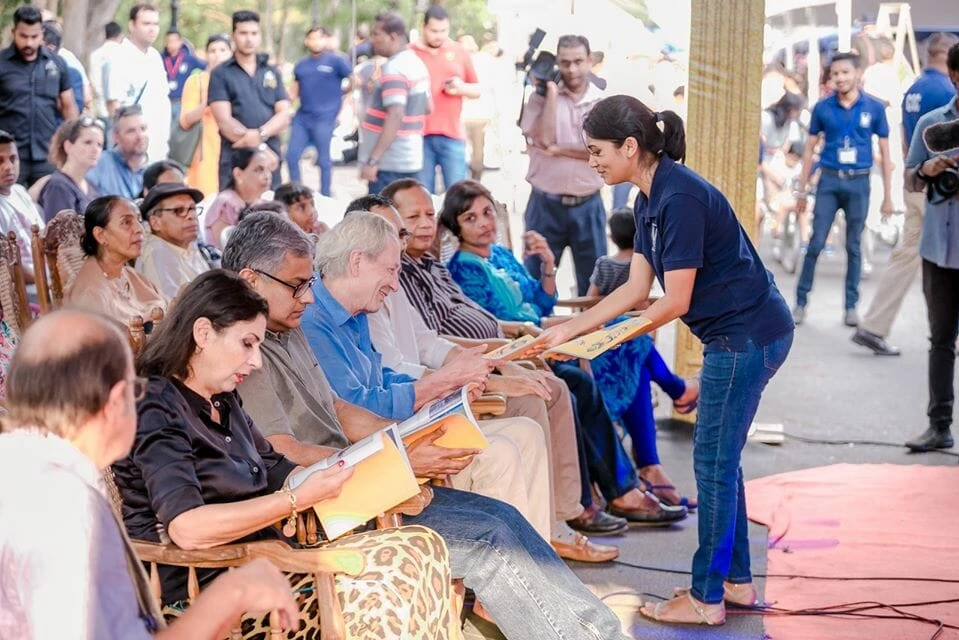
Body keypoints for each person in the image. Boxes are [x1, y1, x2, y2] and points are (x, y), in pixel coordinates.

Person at [221, 212, 635, 640]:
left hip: (354, 484)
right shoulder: (242, 347)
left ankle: (599, 632)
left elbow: (341, 409)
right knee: (490, 539)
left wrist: (403, 443)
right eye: (299, 285)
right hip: (321, 508)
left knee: (502, 517)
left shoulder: (284, 329)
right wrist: (398, 457)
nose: (309, 298)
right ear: (252, 280)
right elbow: (283, 450)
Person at [536, 95, 794, 625]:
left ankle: (705, 599)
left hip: (746, 336)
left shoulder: (679, 198)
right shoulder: (648, 196)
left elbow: (673, 302)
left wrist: (599, 340)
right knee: (722, 462)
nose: (592, 162)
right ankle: (736, 583)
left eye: (597, 151)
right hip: (738, 334)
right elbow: (634, 289)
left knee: (713, 465)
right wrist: (567, 331)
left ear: (631, 146)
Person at [110, 270, 459, 638]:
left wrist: (369, 474)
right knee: (389, 580)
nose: (257, 361)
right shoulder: (154, 406)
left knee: (422, 546)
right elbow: (188, 528)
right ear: (203, 334)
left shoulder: (222, 399)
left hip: (268, 565)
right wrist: (293, 500)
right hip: (211, 594)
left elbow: (276, 468)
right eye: (247, 343)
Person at [384, 178, 686, 526]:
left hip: (528, 341)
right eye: (471, 218)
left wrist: (547, 265)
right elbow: (438, 339)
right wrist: (522, 342)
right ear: (454, 226)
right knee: (585, 375)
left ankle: (627, 480)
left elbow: (538, 301)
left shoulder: (451, 263)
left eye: (487, 214)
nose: (484, 223)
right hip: (508, 352)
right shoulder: (451, 268)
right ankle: (606, 493)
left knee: (627, 343)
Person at [0, 308, 305, 639]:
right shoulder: (59, 504)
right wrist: (234, 592)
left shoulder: (27, 470)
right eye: (138, 392)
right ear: (118, 399)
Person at [360, 198, 620, 562]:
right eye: (401, 226)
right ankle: (541, 539)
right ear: (357, 249)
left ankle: (553, 530)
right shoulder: (377, 289)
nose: (401, 241)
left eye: (401, 231)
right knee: (541, 396)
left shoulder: (417, 272)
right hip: (418, 411)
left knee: (559, 382)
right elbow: (396, 372)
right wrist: (491, 372)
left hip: (463, 372)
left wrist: (497, 360)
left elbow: (429, 342)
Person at [302, 211, 559, 540]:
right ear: (356, 263)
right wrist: (441, 382)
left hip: (389, 432)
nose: (395, 284)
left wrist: (445, 391)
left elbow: (382, 377)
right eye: (391, 270)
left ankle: (541, 564)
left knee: (525, 430)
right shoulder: (315, 319)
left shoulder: (353, 312)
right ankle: (507, 577)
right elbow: (355, 407)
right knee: (500, 454)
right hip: (364, 451)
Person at [854, 32, 959, 356]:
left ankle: (874, 325)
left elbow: (905, 136)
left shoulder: (914, 87)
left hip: (920, 183)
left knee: (907, 254)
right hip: (941, 192)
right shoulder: (943, 90)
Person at [794, 52, 893, 328]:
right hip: (829, 180)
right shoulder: (822, 108)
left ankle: (851, 307)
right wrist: (802, 191)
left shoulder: (874, 108)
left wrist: (888, 196)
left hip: (859, 181)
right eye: (835, 74)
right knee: (815, 243)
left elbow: (884, 153)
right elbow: (810, 150)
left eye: (845, 72)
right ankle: (800, 302)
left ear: (858, 74)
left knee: (854, 246)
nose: (840, 78)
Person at [901, 42, 959, 453]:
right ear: (954, 77)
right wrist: (928, 167)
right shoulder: (932, 124)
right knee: (941, 341)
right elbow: (909, 181)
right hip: (938, 248)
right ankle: (939, 426)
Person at [520, 34, 606, 296]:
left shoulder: (602, 100)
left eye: (578, 61)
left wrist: (559, 150)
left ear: (590, 61)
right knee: (535, 285)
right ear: (557, 63)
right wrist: (553, 94)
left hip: (588, 205)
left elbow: (602, 151)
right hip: (545, 206)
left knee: (593, 288)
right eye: (565, 62)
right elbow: (544, 139)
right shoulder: (538, 98)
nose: (572, 69)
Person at [209, 11, 289, 191]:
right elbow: (224, 121)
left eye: (254, 33)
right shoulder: (221, 73)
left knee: (272, 215)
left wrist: (261, 135)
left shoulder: (271, 71)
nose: (249, 39)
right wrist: (260, 145)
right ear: (233, 36)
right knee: (233, 215)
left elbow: (283, 114)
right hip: (236, 160)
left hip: (271, 160)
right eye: (243, 33)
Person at [0, 5, 77, 186]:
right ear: (14, 32)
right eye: (23, 36)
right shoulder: (1, 64)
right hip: (9, 158)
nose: (29, 43)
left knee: (52, 210)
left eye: (34, 37)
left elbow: (68, 107)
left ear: (42, 33)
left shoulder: (57, 64)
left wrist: (72, 144)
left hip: (47, 156)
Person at [358, 12, 430, 194]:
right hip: (409, 157)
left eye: (376, 34)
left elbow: (395, 114)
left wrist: (373, 160)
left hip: (389, 163)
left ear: (393, 36)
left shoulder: (394, 68)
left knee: (382, 219)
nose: (372, 40)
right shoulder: (416, 63)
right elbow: (428, 107)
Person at [411, 5, 480, 193]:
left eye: (443, 31)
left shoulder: (459, 51)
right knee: (423, 195)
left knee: (458, 195)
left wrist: (460, 88)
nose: (439, 36)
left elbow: (477, 90)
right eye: (434, 31)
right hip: (419, 135)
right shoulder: (410, 53)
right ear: (423, 27)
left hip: (452, 134)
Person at [66, 195, 166, 322]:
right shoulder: (90, 294)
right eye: (126, 222)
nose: (139, 229)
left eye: (139, 221)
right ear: (101, 235)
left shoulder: (129, 274)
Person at [286, 26, 351, 197]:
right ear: (307, 41)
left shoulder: (336, 61)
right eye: (312, 38)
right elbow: (295, 90)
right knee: (292, 156)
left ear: (325, 40)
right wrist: (284, 106)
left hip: (325, 117)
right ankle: (296, 194)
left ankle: (325, 194)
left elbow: (353, 80)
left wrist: (343, 100)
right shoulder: (301, 65)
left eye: (319, 38)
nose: (316, 42)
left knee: (323, 160)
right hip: (303, 117)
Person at [107, 4, 171, 163]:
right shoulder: (119, 56)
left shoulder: (155, 57)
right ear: (132, 25)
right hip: (131, 149)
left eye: (155, 24)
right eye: (146, 24)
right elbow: (114, 105)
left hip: (158, 145)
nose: (152, 29)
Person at [179, 34, 231, 198]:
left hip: (233, 151)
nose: (218, 55)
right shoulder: (197, 82)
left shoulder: (237, 81)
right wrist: (207, 103)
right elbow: (185, 120)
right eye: (213, 50)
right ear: (206, 54)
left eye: (223, 50)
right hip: (205, 152)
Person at [136, 182, 210, 299]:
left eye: (192, 208)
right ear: (155, 222)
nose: (191, 216)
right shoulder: (157, 253)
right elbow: (172, 311)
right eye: (178, 210)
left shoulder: (187, 245)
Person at [204, 147, 271, 249]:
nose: (267, 176)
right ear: (238, 174)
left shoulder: (264, 203)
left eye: (268, 169)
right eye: (259, 170)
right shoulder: (226, 203)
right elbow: (225, 249)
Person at [38, 117, 104, 221]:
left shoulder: (92, 187)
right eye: (88, 142)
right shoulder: (58, 186)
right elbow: (61, 234)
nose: (95, 149)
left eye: (100, 145)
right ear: (68, 146)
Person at [0, 129, 44, 283]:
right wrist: (47, 283)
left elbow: (44, 238)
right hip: (22, 293)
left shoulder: (20, 192)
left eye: (13, 159)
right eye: (0, 161)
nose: (8, 166)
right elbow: (7, 266)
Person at [87, 105, 150, 199]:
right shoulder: (99, 164)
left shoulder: (156, 170)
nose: (140, 136)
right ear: (116, 137)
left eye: (143, 129)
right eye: (131, 131)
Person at [161, 28, 206, 127]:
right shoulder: (160, 58)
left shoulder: (189, 58)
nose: (171, 44)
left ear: (180, 42)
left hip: (181, 102)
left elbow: (206, 67)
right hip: (164, 102)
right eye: (169, 41)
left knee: (180, 133)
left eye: (174, 41)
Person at [89, 21, 123, 122]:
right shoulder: (124, 53)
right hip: (121, 108)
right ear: (120, 35)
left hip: (100, 106)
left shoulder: (95, 55)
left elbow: (94, 82)